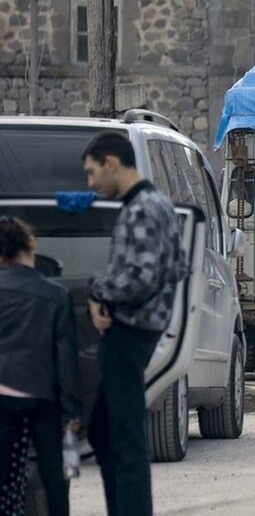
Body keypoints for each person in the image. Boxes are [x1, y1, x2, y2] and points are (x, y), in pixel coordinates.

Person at [82, 132, 187, 516]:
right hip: (141, 329)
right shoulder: (158, 204)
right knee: (104, 433)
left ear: (111, 162)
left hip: (129, 333)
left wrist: (98, 290)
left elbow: (141, 277)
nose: (91, 184)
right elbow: (176, 267)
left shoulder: (141, 208)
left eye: (92, 173)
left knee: (125, 439)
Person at [0, 217, 80, 516]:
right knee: (52, 476)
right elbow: (65, 358)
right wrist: (71, 411)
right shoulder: (56, 295)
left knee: (5, 476)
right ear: (30, 246)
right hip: (42, 398)